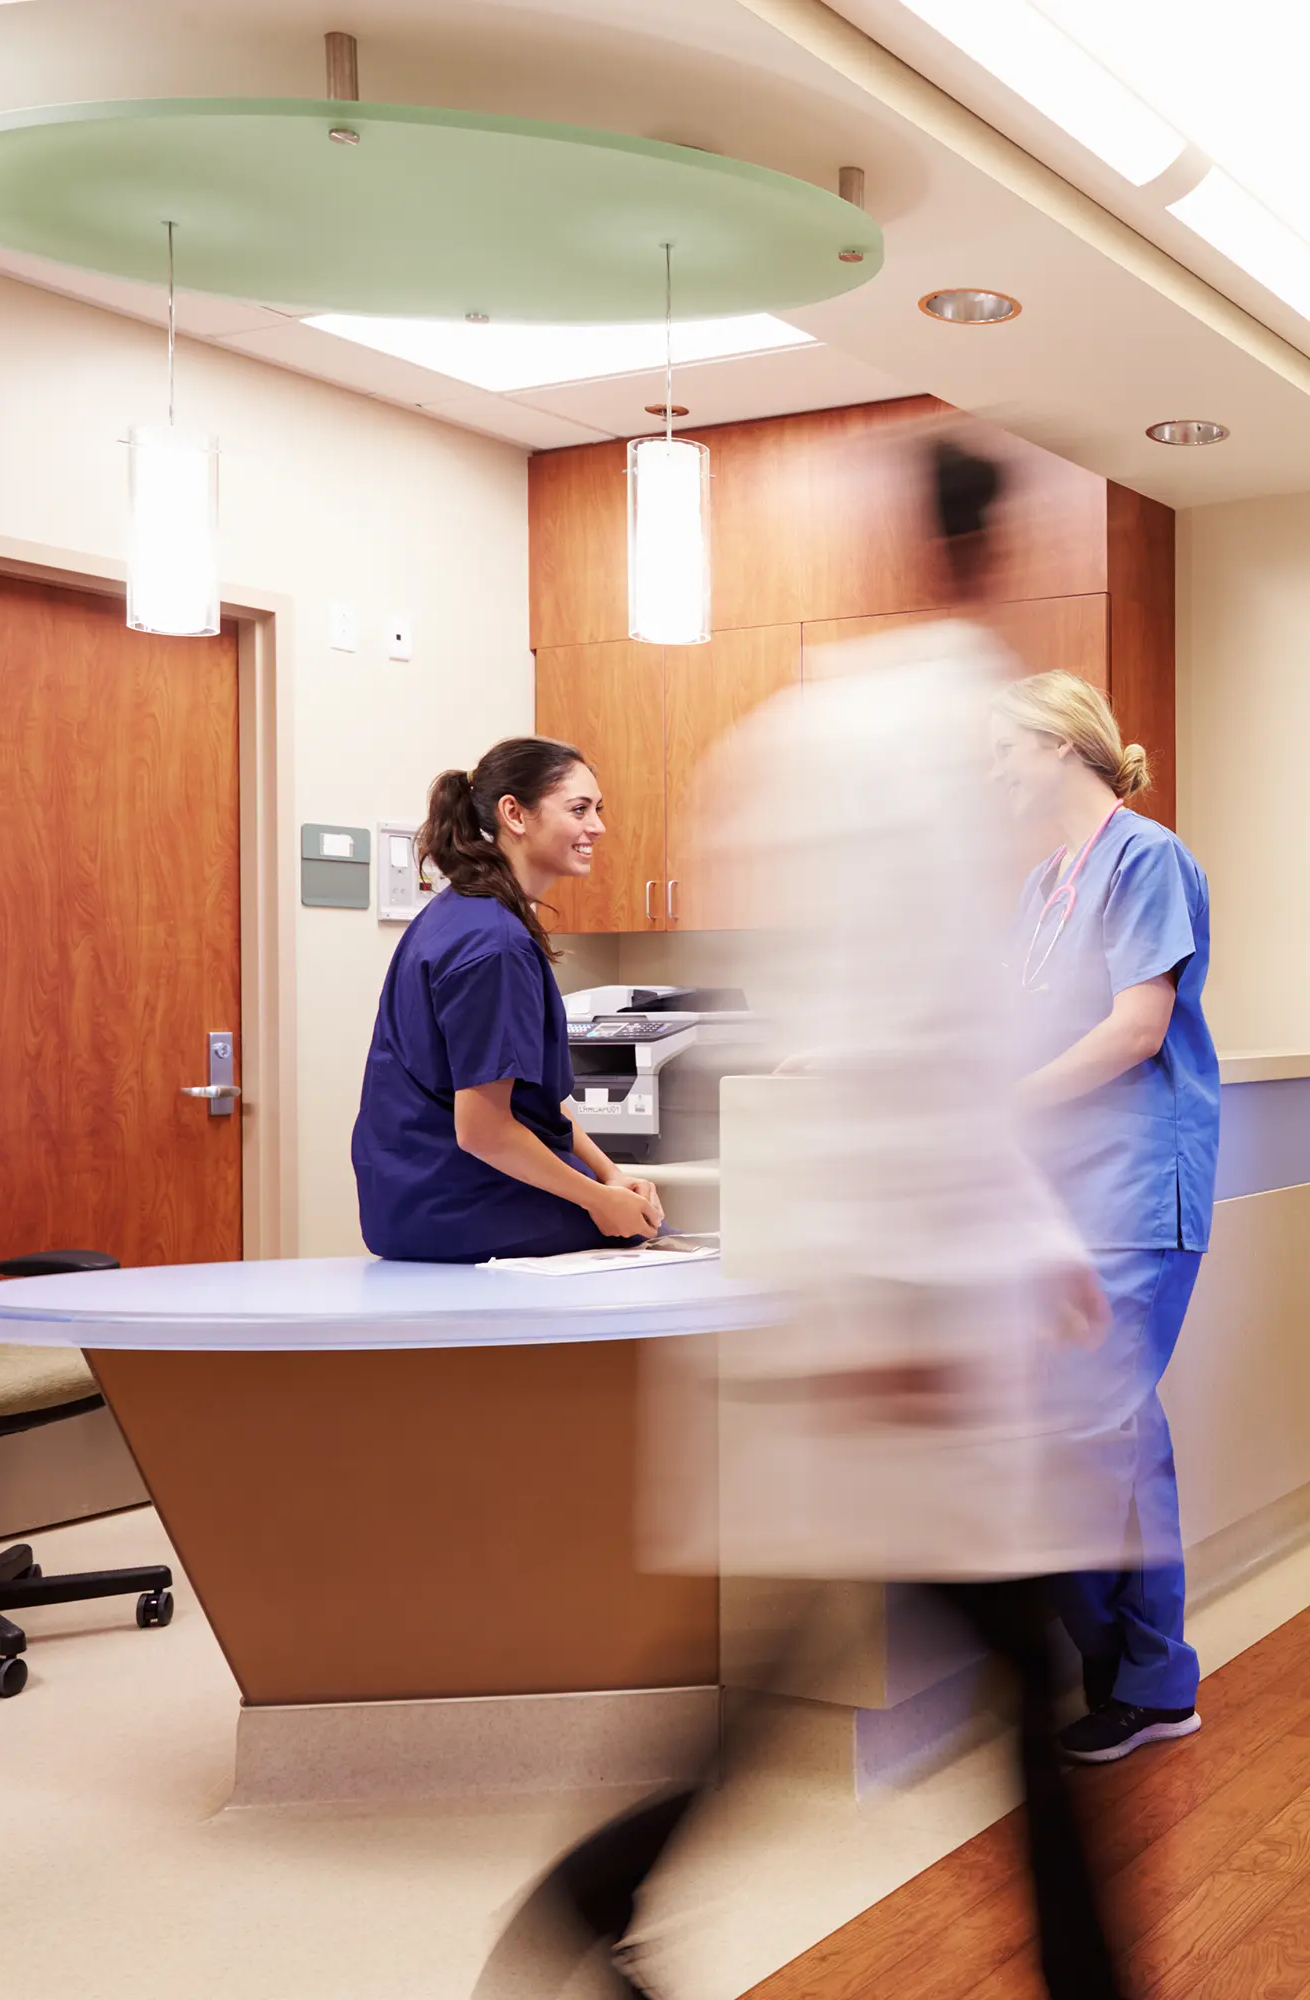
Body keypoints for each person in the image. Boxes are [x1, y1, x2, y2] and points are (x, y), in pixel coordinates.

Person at [483, 440, 1135, 2000]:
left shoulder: (802, 735)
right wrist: (922, 1303)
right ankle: (602, 1890)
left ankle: (599, 1892)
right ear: (986, 554)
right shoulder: (920, 749)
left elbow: (909, 1034)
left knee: (825, 1663)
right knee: (998, 1673)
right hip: (891, 1303)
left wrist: (1018, 1245)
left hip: (875, 1285)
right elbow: (911, 1032)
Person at [990, 669, 1219, 1766]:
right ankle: (1129, 1666)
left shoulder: (1148, 857)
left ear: (1061, 743)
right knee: (1094, 1431)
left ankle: (1145, 1678)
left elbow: (1137, 1028)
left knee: (1095, 1434)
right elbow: (995, 1022)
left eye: (1004, 747)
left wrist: (1009, 1102)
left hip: (1135, 1185)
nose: (993, 769)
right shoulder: (1044, 882)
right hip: (1061, 1194)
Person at [351, 737, 662, 1263]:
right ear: (514, 814)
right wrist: (600, 1203)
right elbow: (484, 1131)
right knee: (650, 1241)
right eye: (579, 810)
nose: (598, 828)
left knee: (639, 1218)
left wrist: (611, 1175)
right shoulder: (493, 944)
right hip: (459, 1203)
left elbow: (530, 1101)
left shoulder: (461, 914)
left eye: (598, 810)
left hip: (414, 1198)